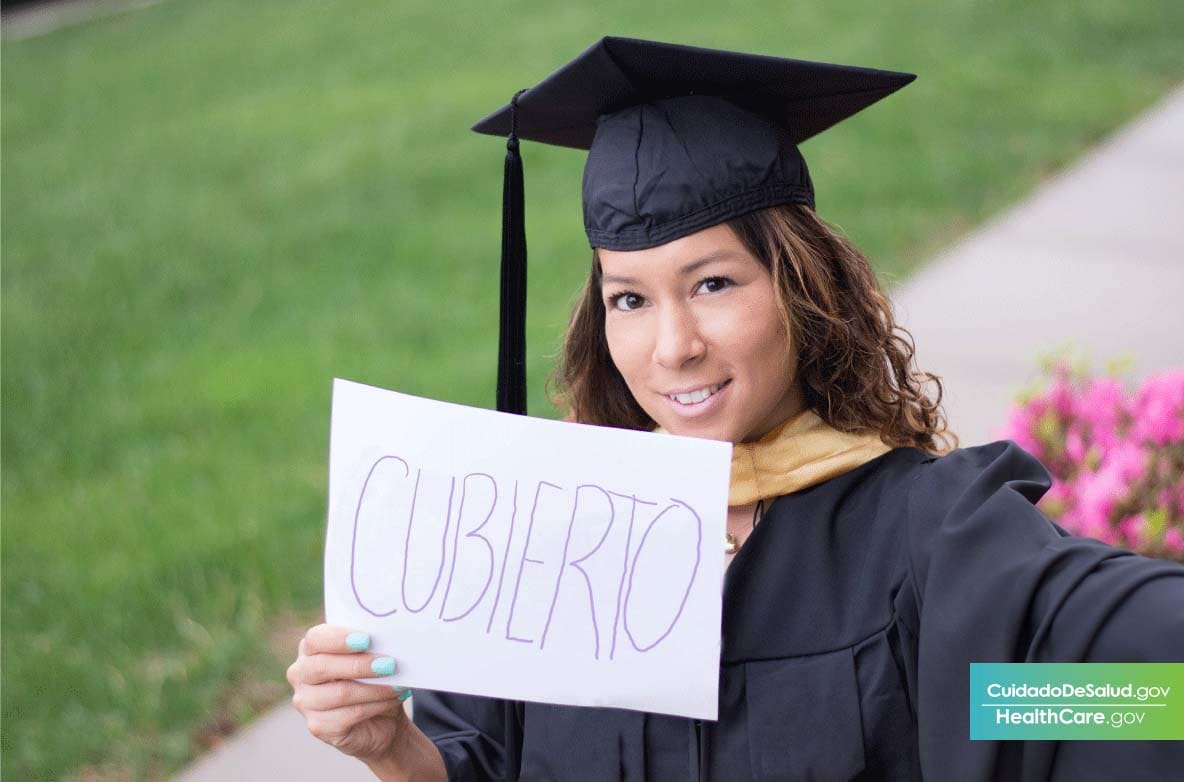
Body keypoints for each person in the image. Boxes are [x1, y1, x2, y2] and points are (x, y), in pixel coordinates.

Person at [286, 37, 1184, 781]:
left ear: (802, 288)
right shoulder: (543, 545)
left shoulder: (917, 540)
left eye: (713, 282)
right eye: (629, 299)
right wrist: (392, 748)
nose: (672, 346)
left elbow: (1127, 695)